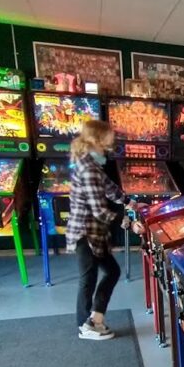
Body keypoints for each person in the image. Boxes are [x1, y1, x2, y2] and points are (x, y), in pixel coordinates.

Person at [67, 119, 127, 341]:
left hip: (95, 235)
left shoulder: (92, 165)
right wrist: (125, 220)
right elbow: (100, 211)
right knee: (88, 279)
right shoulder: (88, 168)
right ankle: (85, 325)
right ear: (97, 138)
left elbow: (111, 189)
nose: (111, 141)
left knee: (111, 271)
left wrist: (130, 202)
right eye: (108, 137)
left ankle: (95, 318)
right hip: (86, 234)